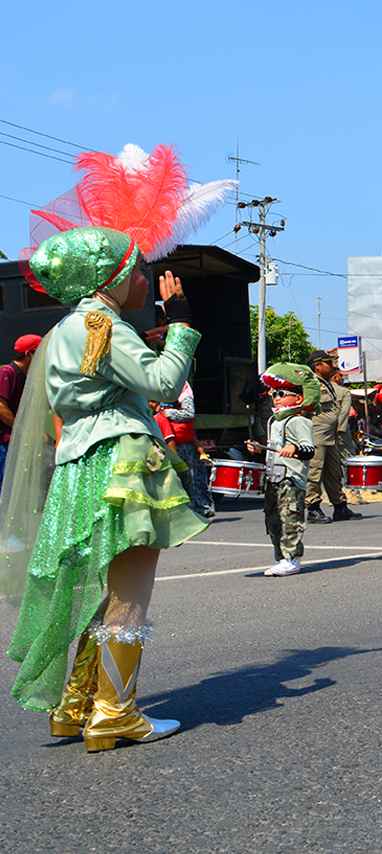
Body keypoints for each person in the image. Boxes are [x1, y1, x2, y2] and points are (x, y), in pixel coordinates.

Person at [6, 230, 207, 751]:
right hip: (120, 460)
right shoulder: (103, 324)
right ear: (112, 279)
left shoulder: (64, 329)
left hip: (80, 464)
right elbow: (164, 384)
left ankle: (76, 706)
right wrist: (183, 322)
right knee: (130, 594)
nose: (145, 280)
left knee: (104, 589)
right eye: (138, 272)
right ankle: (116, 713)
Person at [251, 364, 319, 577]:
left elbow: (309, 449)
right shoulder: (275, 421)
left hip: (290, 478)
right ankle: (280, 556)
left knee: (290, 517)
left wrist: (295, 448)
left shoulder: (298, 420)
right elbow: (274, 448)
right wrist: (258, 448)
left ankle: (292, 558)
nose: (276, 398)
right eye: (274, 394)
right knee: (272, 519)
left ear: (298, 398)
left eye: (281, 394)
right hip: (274, 476)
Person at [306, 350, 362, 524]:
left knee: (334, 472)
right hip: (317, 434)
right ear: (318, 366)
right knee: (315, 471)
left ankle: (340, 506)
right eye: (328, 363)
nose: (333, 366)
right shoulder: (311, 384)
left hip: (330, 435)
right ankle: (313, 508)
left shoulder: (326, 383)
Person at [160, 381, 214, 519]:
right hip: (170, 440)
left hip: (184, 442)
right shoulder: (157, 383)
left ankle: (201, 507)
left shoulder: (182, 387)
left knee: (193, 477)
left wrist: (167, 412)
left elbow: (189, 413)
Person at [0, 334, 42, 491]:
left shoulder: (26, 376)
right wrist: (22, 428)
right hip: (3, 442)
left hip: (13, 440)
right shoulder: (7, 372)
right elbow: (0, 406)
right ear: (29, 354)